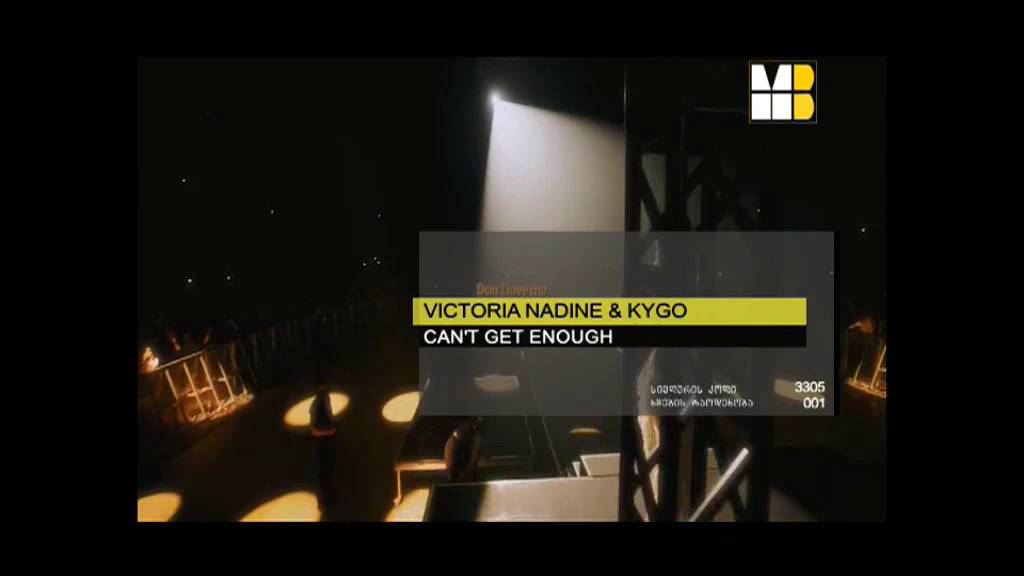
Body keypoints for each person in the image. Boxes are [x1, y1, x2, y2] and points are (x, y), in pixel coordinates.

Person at [309, 387, 337, 514]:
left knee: (327, 472)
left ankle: (327, 499)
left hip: (326, 444)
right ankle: (324, 502)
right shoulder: (317, 406)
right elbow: (314, 430)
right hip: (321, 445)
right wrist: (330, 431)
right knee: (323, 474)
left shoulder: (324, 401)